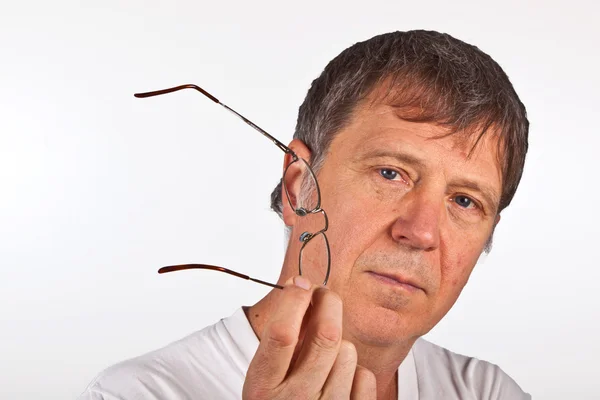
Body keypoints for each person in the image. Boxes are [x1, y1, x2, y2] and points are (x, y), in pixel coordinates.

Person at [79, 29, 531, 399]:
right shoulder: (139, 394)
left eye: (465, 201)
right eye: (391, 173)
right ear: (299, 187)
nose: (421, 231)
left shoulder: (486, 393)